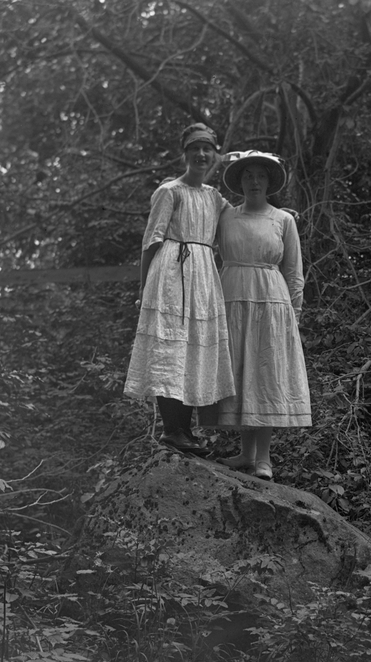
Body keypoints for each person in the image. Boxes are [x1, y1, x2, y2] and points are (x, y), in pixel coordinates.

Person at [124, 123, 235, 455]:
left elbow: (241, 220)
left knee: (190, 350)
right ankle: (173, 430)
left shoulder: (215, 198)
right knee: (170, 349)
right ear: (185, 154)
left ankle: (184, 431)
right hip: (171, 273)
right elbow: (151, 241)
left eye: (207, 149)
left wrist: (277, 214)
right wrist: (145, 289)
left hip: (202, 278)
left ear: (214, 155)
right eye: (194, 149)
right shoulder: (169, 191)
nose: (201, 154)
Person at [201, 151, 312, 480]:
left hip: (271, 303)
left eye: (260, 175)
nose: (254, 181)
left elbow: (294, 272)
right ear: (239, 182)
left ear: (269, 182)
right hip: (232, 299)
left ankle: (264, 459)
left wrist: (294, 312)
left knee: (264, 375)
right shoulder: (226, 216)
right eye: (248, 175)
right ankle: (246, 454)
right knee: (240, 373)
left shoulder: (283, 220)